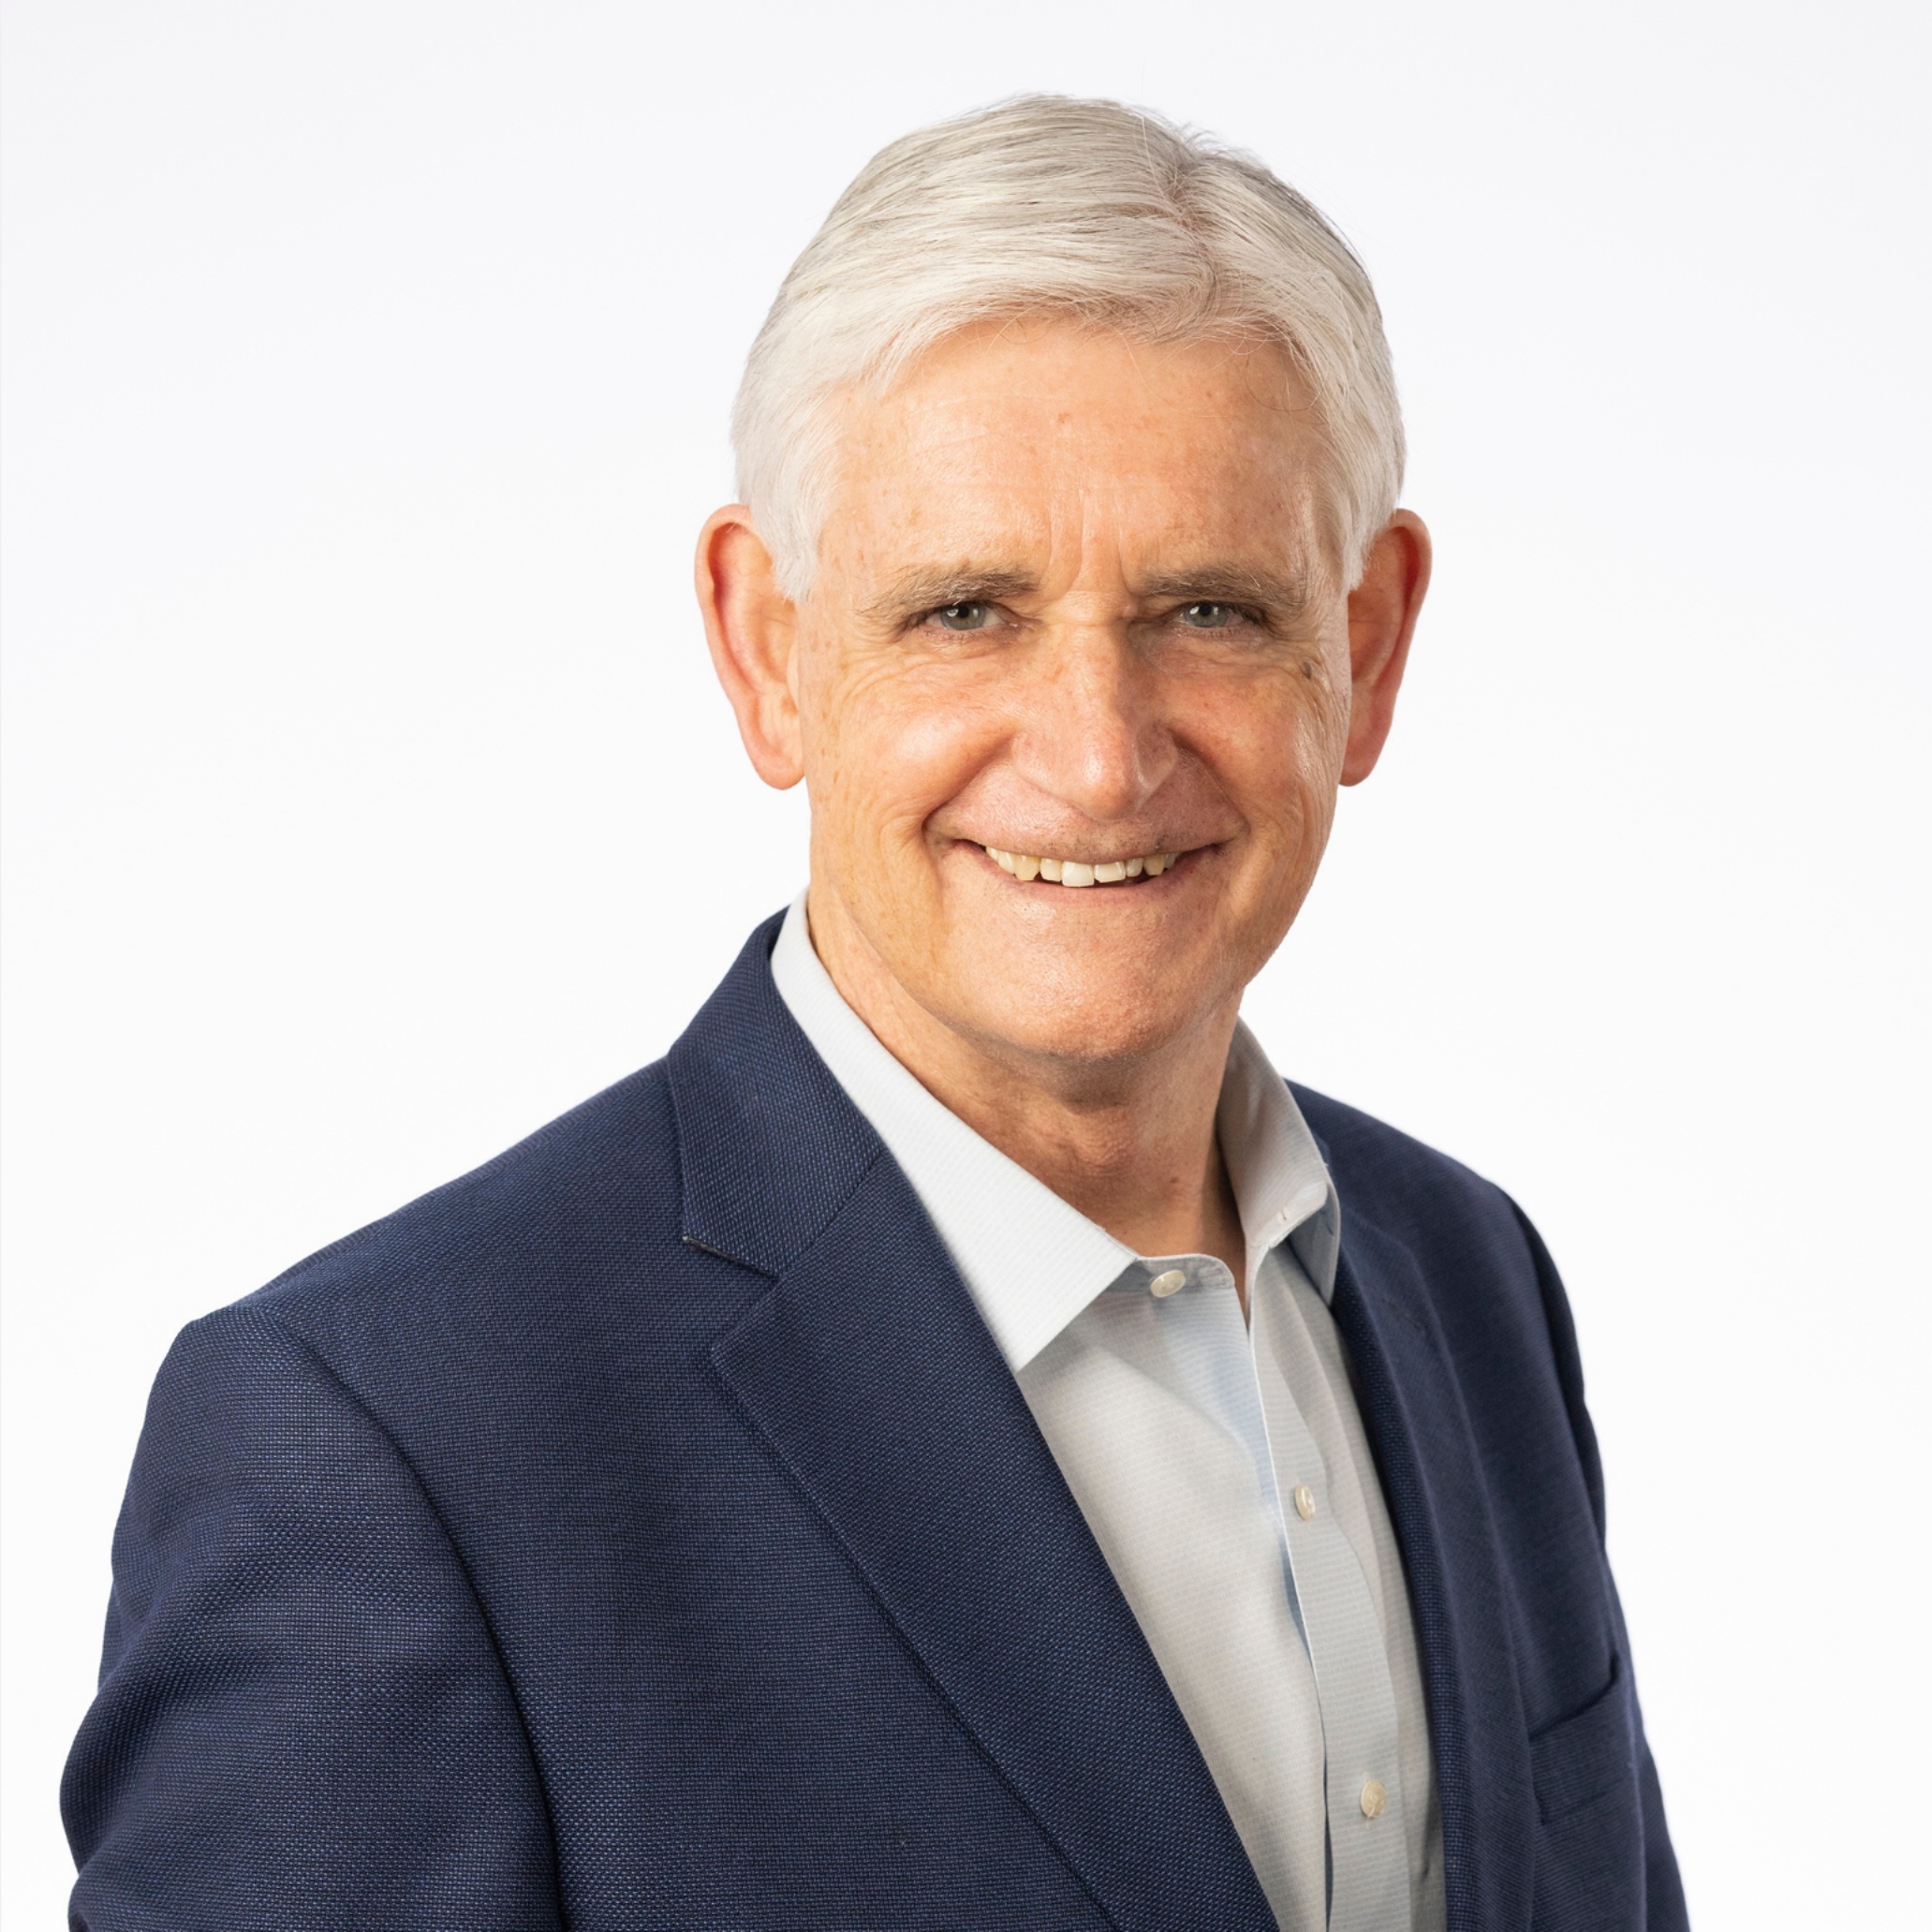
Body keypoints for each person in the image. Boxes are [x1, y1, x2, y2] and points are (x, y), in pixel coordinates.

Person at [62, 96, 1688, 1931]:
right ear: (768, 649)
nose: (1098, 757)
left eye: (1212, 610)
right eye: (968, 612)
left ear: (1367, 644)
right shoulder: (390, 1446)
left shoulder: (1468, 1282)